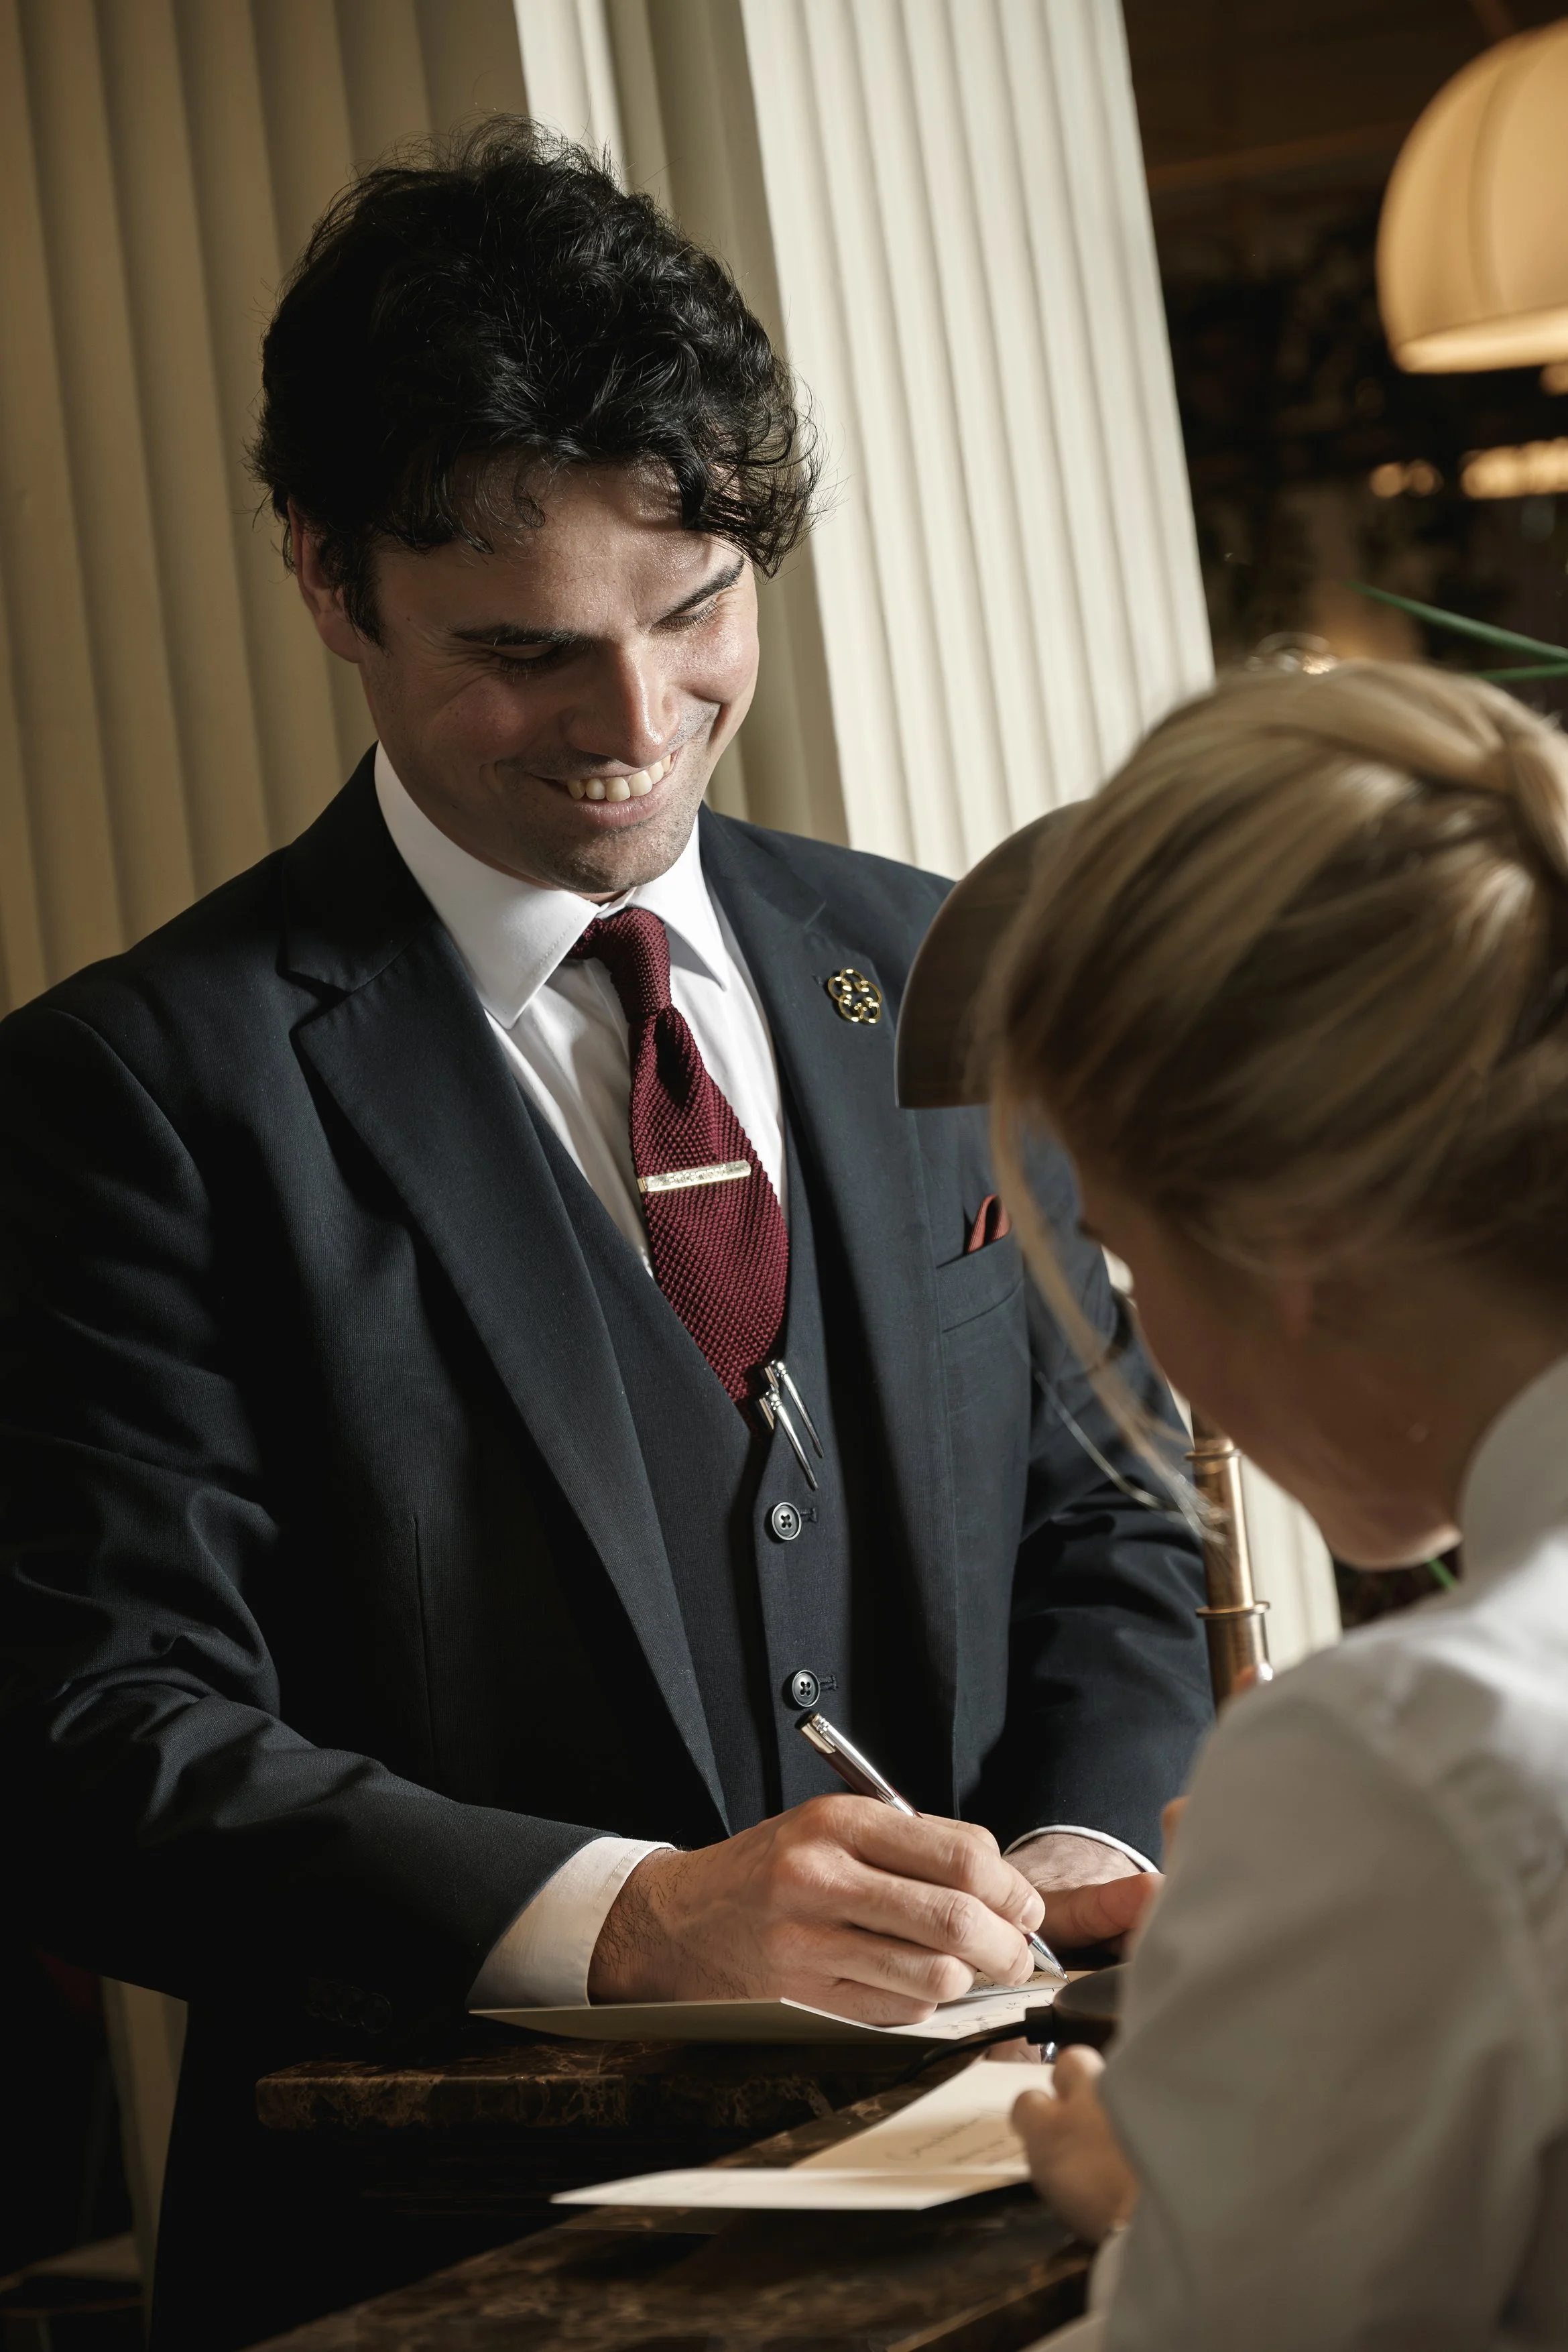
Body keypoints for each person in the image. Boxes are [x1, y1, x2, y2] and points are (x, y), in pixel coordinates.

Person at [0, 123, 1210, 2350]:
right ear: (327, 576)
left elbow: (1106, 1514)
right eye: (522, 651)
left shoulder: (925, 961)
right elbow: (92, 1734)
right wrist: (624, 1914)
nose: (630, 731)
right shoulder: (130, 1088)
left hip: (1027, 2217)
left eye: (694, 617)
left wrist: (1070, 1855)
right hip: (443, 2269)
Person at [985, 659, 1568, 2348]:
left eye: (1122, 1252)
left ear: (1289, 1248)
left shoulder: (1403, 1746)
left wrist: (1176, 2209)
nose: (1142, 1333)